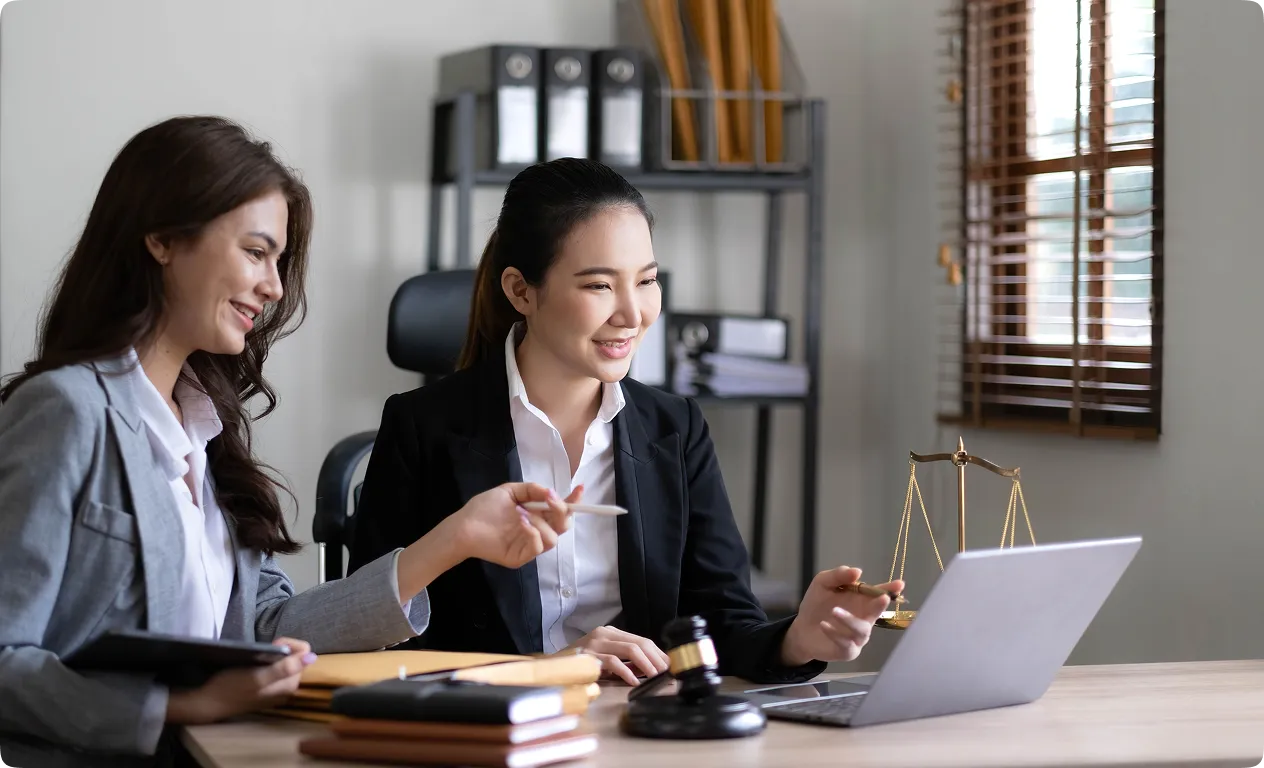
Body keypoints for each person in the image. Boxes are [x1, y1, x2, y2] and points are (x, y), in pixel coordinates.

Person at [0, 116, 572, 768]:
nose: (273, 286)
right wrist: (174, 706)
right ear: (161, 238)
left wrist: (456, 539)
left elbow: (267, 630)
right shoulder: (66, 411)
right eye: (255, 251)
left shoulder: (204, 430)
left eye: (277, 260)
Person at [347, 157, 904, 687]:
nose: (633, 314)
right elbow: (372, 641)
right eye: (598, 285)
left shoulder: (675, 428)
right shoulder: (423, 427)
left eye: (646, 280)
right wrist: (553, 670)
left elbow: (721, 625)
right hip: (489, 737)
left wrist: (798, 639)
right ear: (521, 290)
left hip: (638, 731)